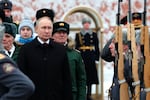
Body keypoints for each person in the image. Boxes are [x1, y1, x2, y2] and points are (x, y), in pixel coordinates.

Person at [17, 9, 73, 100]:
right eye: (43, 28)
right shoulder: (26, 50)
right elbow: (21, 78)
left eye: (49, 28)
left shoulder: (60, 50)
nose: (47, 31)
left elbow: (66, 79)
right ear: (36, 29)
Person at [52, 21, 86, 100]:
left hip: (71, 95)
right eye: (58, 32)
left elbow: (81, 80)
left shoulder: (75, 55)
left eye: (64, 32)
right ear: (52, 35)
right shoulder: (47, 53)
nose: (62, 35)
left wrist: (81, 98)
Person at [0, 23, 35, 100]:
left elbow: (25, 85)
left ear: (13, 38)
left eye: (7, 36)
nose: (4, 39)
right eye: (2, 36)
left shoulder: (23, 52)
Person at [75, 17, 100, 100]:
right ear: (83, 24)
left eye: (88, 23)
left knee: (91, 76)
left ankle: (89, 94)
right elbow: (76, 47)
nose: (86, 25)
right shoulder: (78, 34)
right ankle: (83, 93)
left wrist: (97, 57)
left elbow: (96, 46)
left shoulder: (94, 34)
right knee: (82, 75)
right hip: (82, 56)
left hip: (91, 56)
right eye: (85, 23)